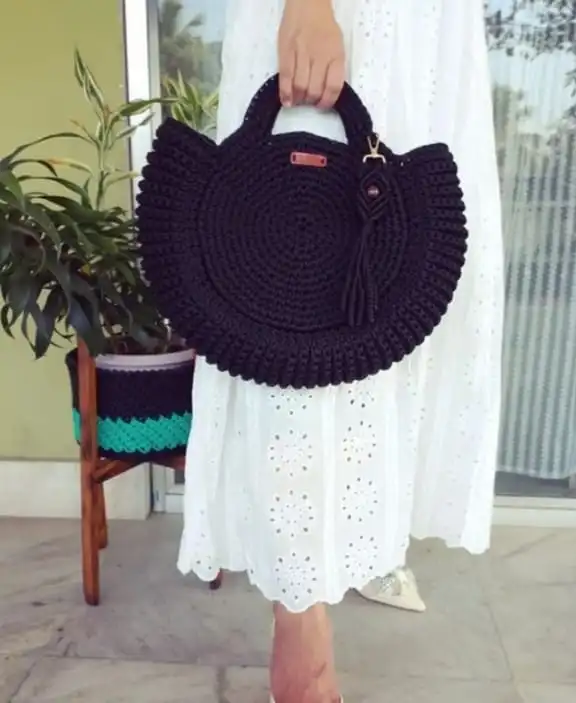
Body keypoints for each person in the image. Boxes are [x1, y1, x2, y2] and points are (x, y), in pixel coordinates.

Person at [177, 0, 503, 700]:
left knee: (395, 271)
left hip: (427, 25)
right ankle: (299, 616)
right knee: (285, 317)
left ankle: (342, 560)